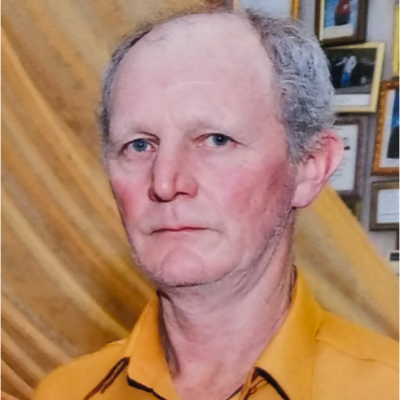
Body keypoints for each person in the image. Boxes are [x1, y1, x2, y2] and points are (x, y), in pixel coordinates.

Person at [34, 7, 400, 400]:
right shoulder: (68, 393)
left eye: (216, 140)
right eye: (139, 145)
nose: (165, 182)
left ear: (310, 166)